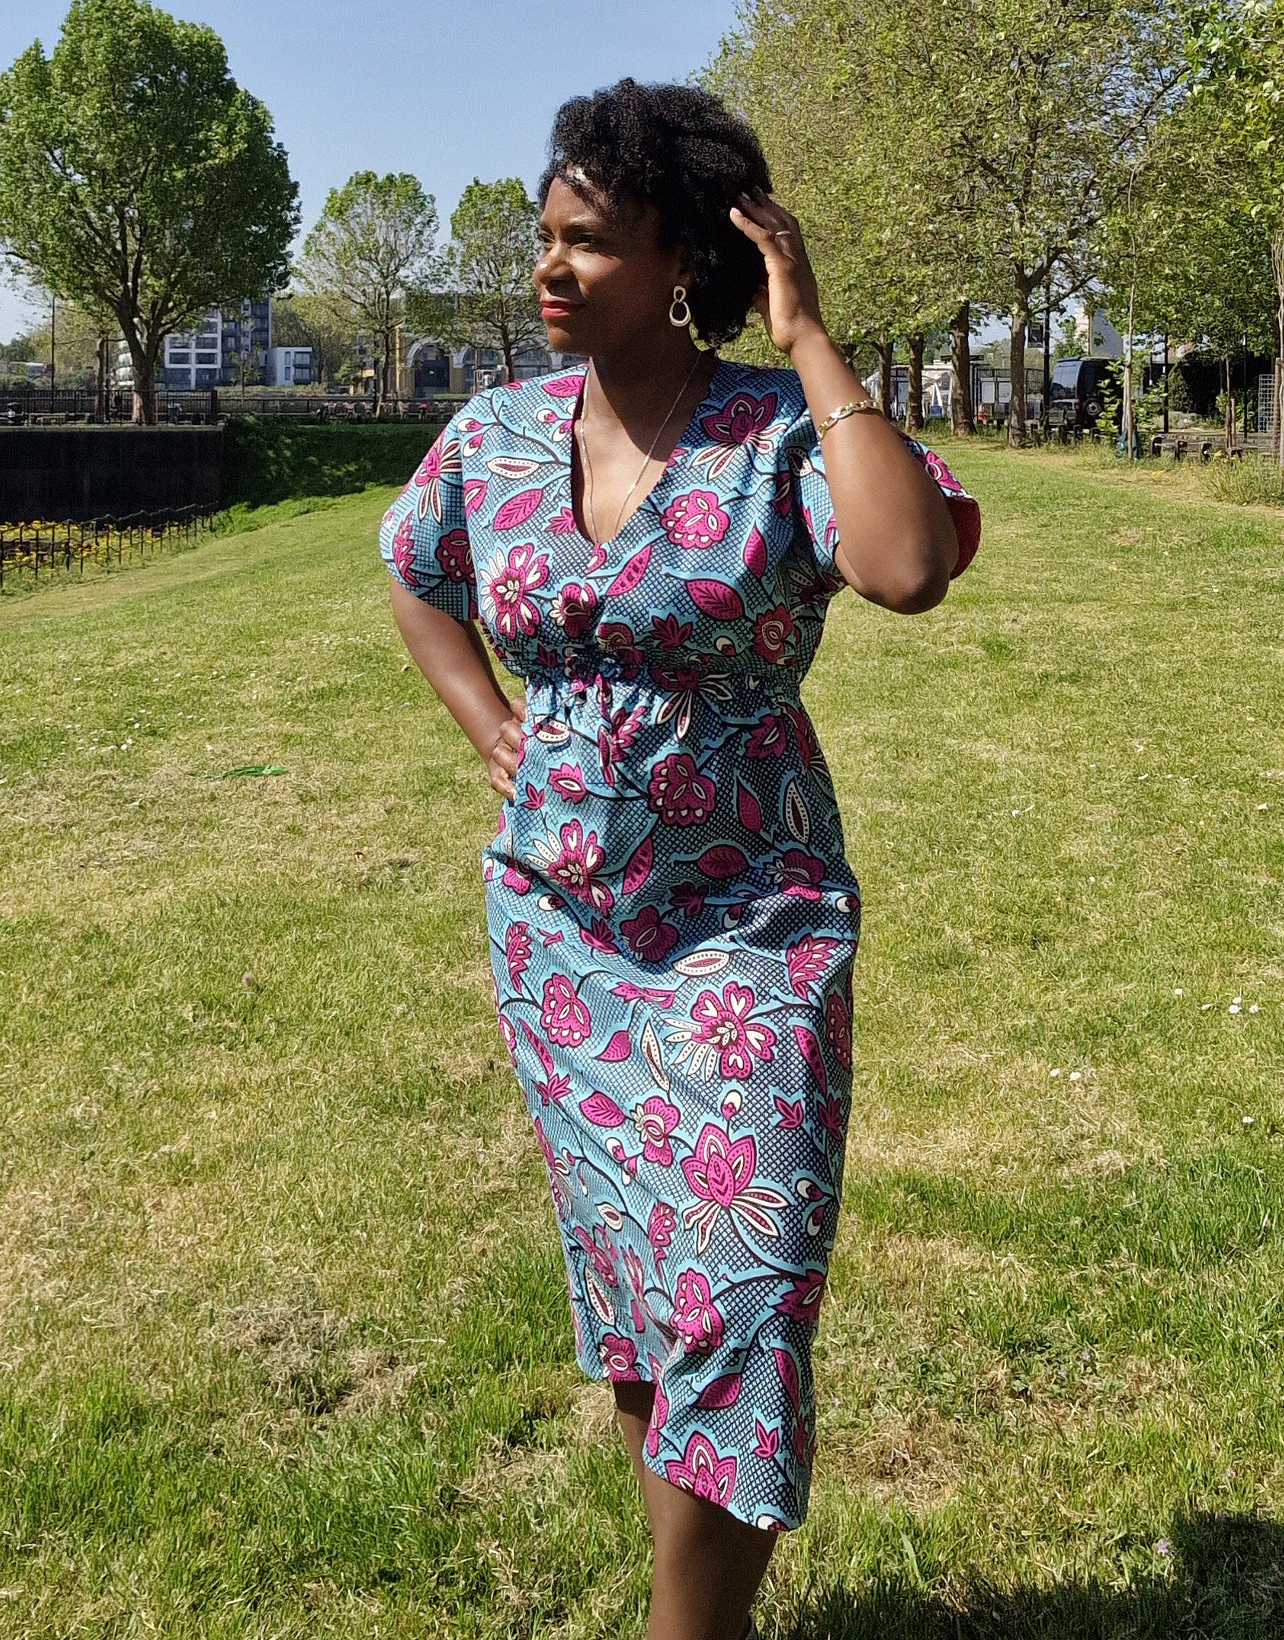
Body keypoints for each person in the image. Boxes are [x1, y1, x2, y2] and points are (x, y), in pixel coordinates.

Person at [381, 79, 979, 1640]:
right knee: (655, 1298)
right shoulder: (494, 433)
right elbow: (416, 572)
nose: (549, 268)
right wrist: (486, 721)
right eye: (544, 238)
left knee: (745, 1279)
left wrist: (804, 340)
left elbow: (904, 565)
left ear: (682, 260)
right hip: (560, 926)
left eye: (589, 242)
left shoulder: (779, 431)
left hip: (744, 918)